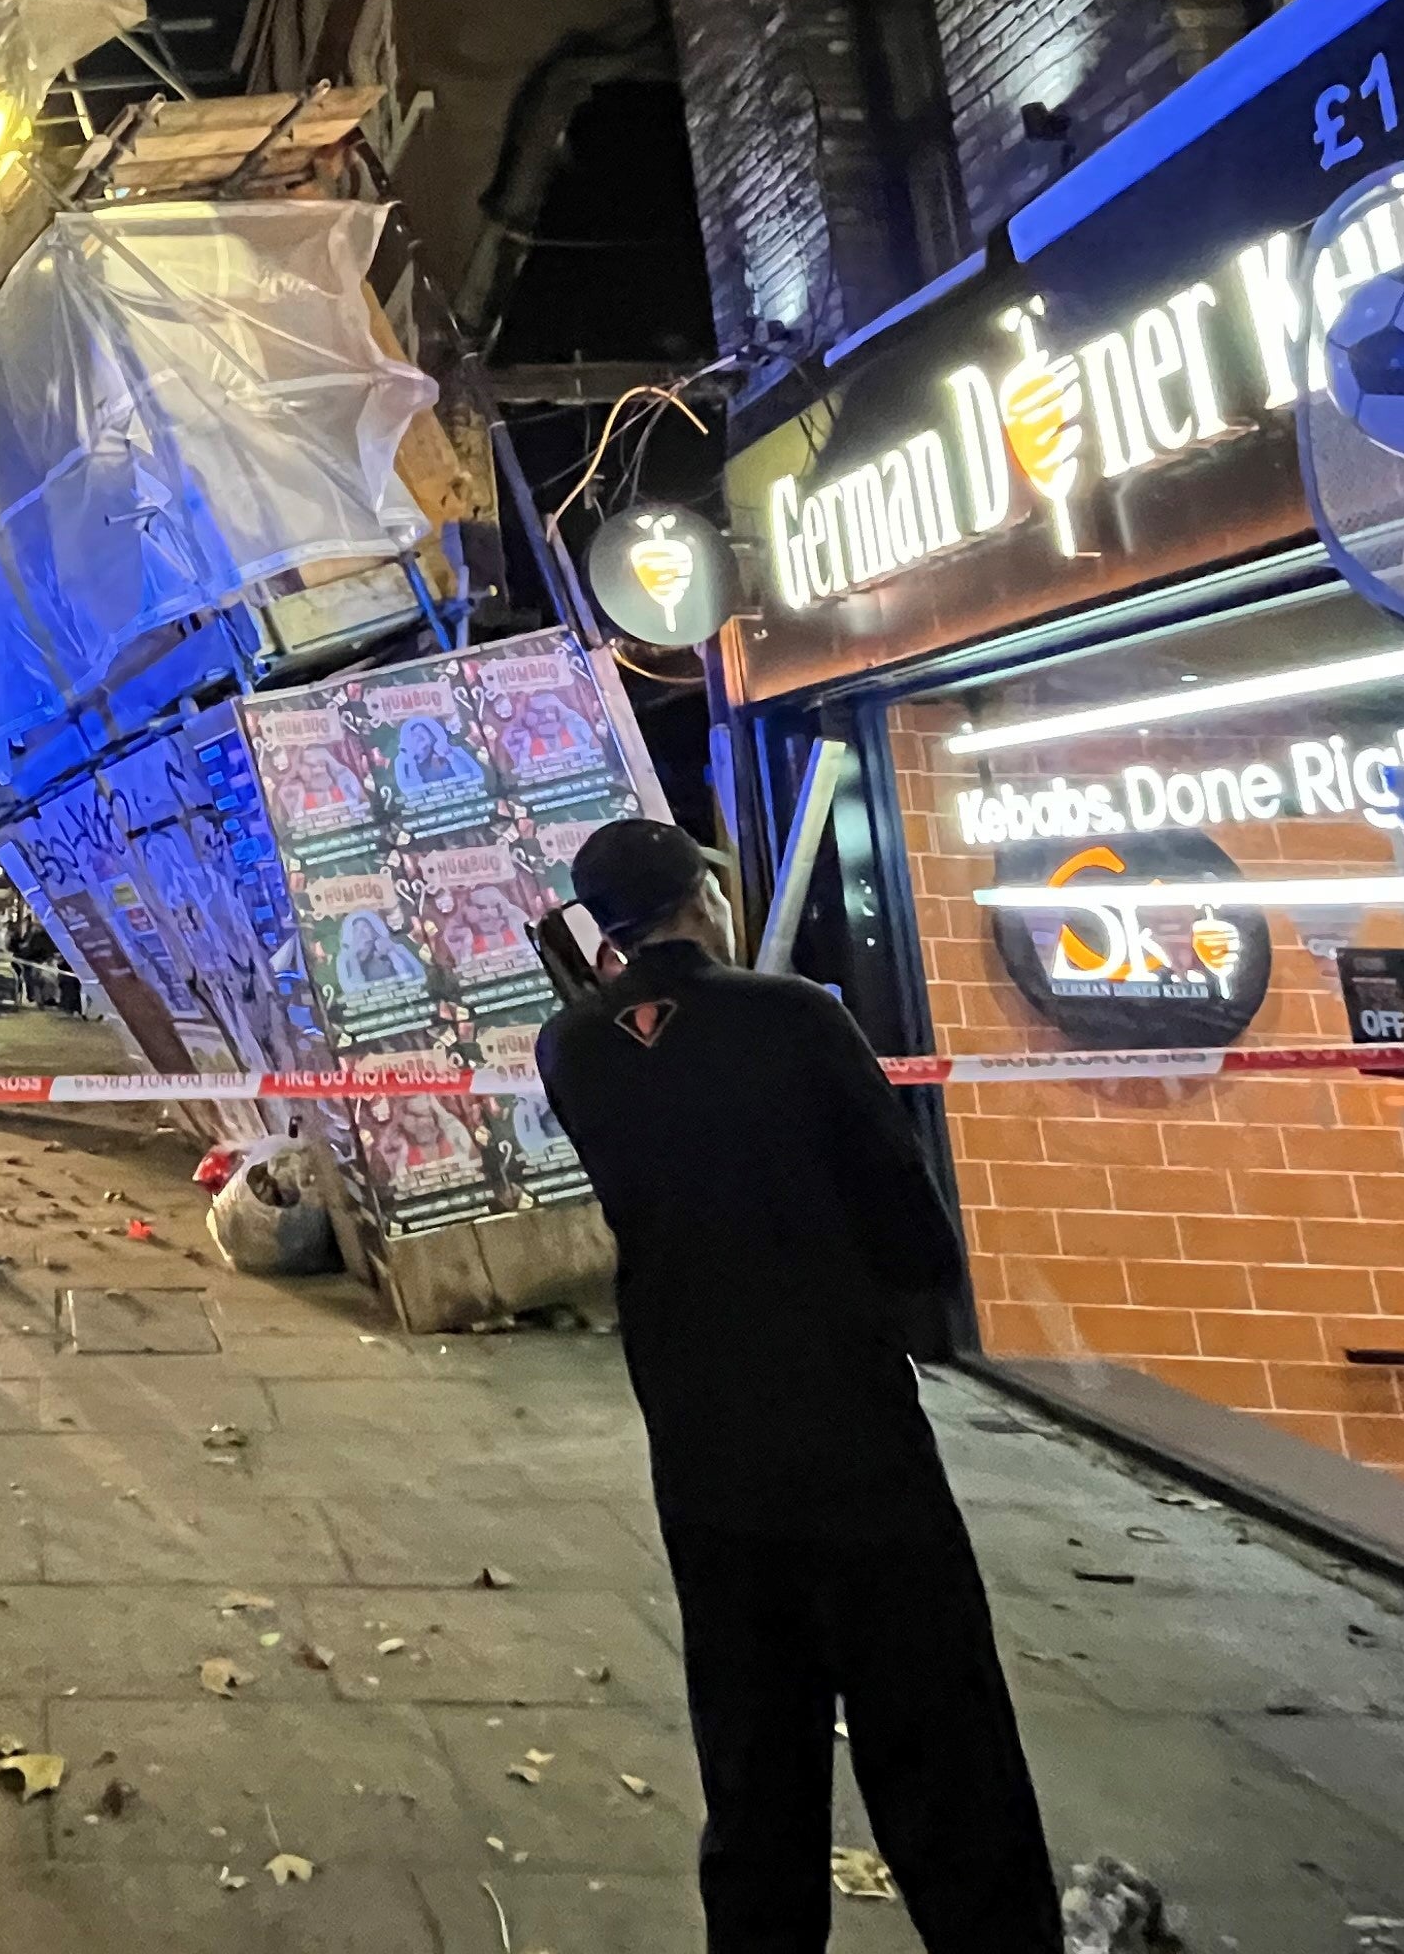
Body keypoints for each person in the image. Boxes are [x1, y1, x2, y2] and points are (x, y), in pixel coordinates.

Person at [537, 817, 1059, 1954]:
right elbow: (907, 1226)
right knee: (935, 1729)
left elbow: (632, 1104)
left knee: (752, 1739)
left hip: (696, 1432)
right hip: (848, 1424)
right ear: (701, 900)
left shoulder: (567, 1048)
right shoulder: (798, 1018)